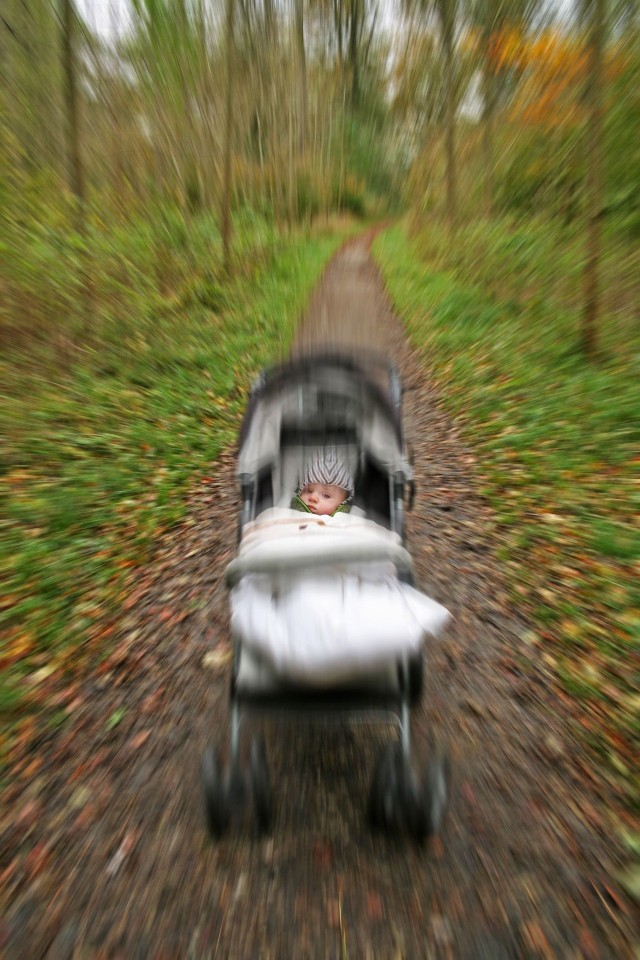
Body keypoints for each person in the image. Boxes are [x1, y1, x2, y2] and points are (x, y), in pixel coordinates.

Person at [291, 452, 354, 517]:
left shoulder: (344, 522)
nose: (313, 497)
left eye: (326, 495)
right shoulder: (289, 513)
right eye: (309, 491)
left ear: (342, 504)